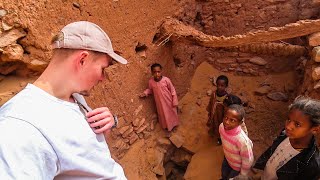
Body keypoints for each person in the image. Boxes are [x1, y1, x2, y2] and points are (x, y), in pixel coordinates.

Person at [0, 21, 128, 179]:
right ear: (82, 60)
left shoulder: (74, 97)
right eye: (103, 68)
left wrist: (105, 128)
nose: (103, 78)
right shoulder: (20, 125)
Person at [253, 97, 320, 180]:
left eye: (297, 124)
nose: (288, 126)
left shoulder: (311, 165)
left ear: (315, 129)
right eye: (288, 119)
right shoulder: (285, 134)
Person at [139, 63, 179, 132]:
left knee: (171, 113)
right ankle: (167, 127)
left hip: (168, 101)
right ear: (152, 73)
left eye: (158, 72)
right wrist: (145, 93)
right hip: (160, 103)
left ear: (161, 71)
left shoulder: (166, 80)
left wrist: (174, 101)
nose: (157, 74)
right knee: (163, 115)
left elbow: (172, 90)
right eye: (155, 72)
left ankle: (174, 125)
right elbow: (150, 90)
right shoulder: (151, 82)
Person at [219, 104, 254, 180]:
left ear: (240, 123)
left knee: (231, 178)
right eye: (226, 117)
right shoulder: (221, 127)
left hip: (237, 167)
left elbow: (248, 160)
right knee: (224, 173)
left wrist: (243, 174)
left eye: (232, 120)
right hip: (227, 159)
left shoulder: (242, 141)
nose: (227, 122)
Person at [207, 75, 229, 145]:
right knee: (213, 124)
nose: (219, 87)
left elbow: (227, 110)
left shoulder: (226, 98)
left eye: (222, 85)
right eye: (218, 85)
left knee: (221, 128)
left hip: (221, 117)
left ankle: (220, 139)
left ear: (226, 86)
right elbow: (211, 102)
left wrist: (225, 118)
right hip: (214, 114)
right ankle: (213, 132)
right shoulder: (214, 94)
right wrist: (210, 111)